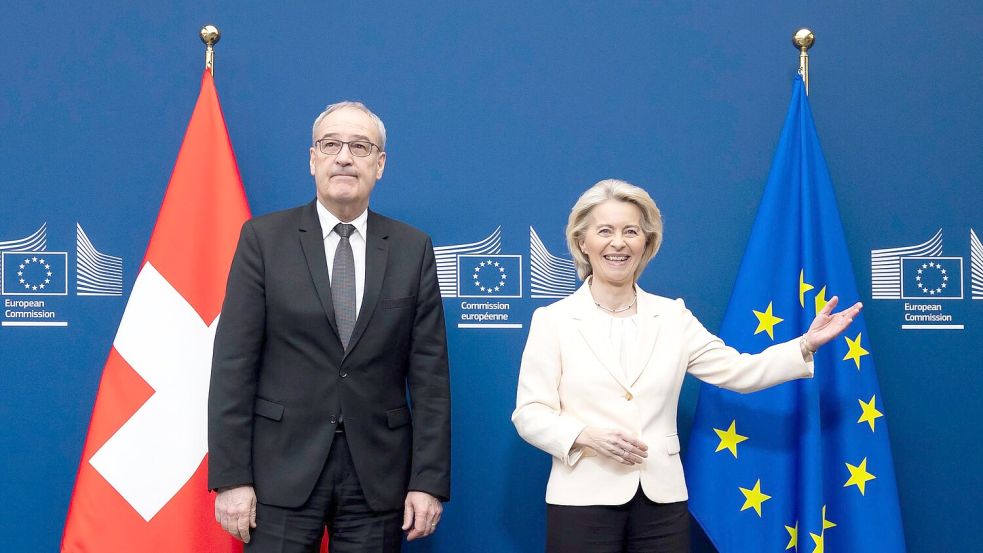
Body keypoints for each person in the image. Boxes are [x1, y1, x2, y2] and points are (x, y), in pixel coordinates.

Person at [511, 179, 861, 552]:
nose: (618, 243)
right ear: (583, 242)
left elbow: (739, 371)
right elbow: (530, 414)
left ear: (646, 242)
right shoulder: (554, 320)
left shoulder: (672, 316)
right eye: (605, 231)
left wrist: (805, 344)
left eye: (631, 231)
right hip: (581, 498)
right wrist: (586, 435)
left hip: (661, 502)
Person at [207, 101, 451, 552]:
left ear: (380, 164)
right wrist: (232, 478)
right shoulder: (263, 240)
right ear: (312, 159)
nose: (344, 157)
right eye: (330, 144)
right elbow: (233, 367)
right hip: (279, 472)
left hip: (377, 476)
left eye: (360, 147)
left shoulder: (412, 248)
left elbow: (430, 379)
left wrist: (428, 481)